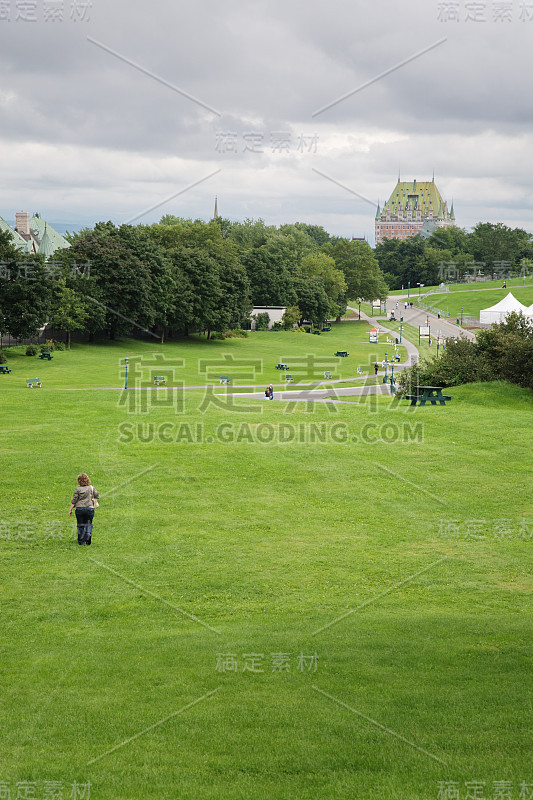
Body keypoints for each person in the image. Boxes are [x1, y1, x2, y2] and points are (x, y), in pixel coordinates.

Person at [69, 473, 100, 546]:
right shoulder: (91, 488)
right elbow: (97, 496)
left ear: (79, 481)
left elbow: (74, 500)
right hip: (90, 508)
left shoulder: (78, 489)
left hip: (79, 509)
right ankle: (88, 534)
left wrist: (70, 509)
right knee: (89, 523)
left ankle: (81, 541)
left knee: (80, 525)